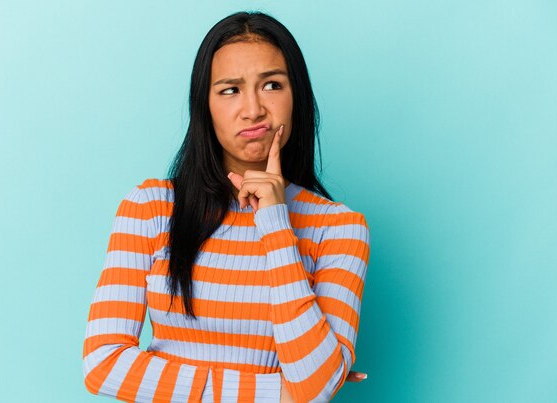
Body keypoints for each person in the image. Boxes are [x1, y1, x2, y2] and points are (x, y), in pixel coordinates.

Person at [83, 11, 370, 402]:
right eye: (230, 90)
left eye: (271, 84)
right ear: (205, 106)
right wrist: (274, 393)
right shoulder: (151, 208)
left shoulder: (339, 228)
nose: (252, 109)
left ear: (296, 96)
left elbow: (316, 386)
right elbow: (103, 362)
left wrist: (274, 222)